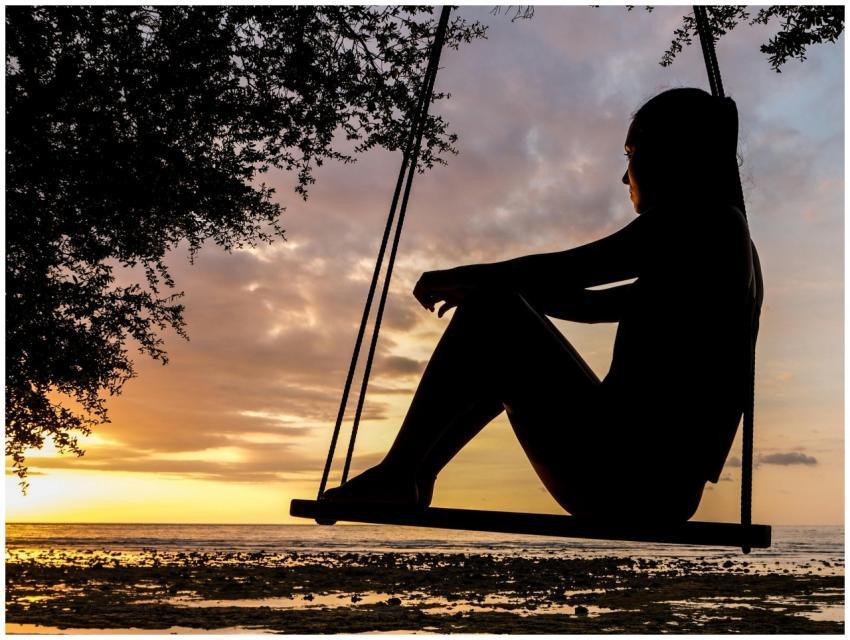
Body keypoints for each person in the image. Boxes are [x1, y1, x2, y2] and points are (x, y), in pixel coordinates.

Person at [322, 87, 763, 522]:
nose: (625, 177)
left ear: (672, 152)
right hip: (657, 487)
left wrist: (475, 280)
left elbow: (578, 268)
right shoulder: (722, 245)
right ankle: (414, 476)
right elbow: (591, 304)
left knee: (494, 310)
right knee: (499, 315)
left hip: (627, 475)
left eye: (631, 154)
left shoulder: (702, 222)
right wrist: (498, 291)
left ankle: (400, 473)